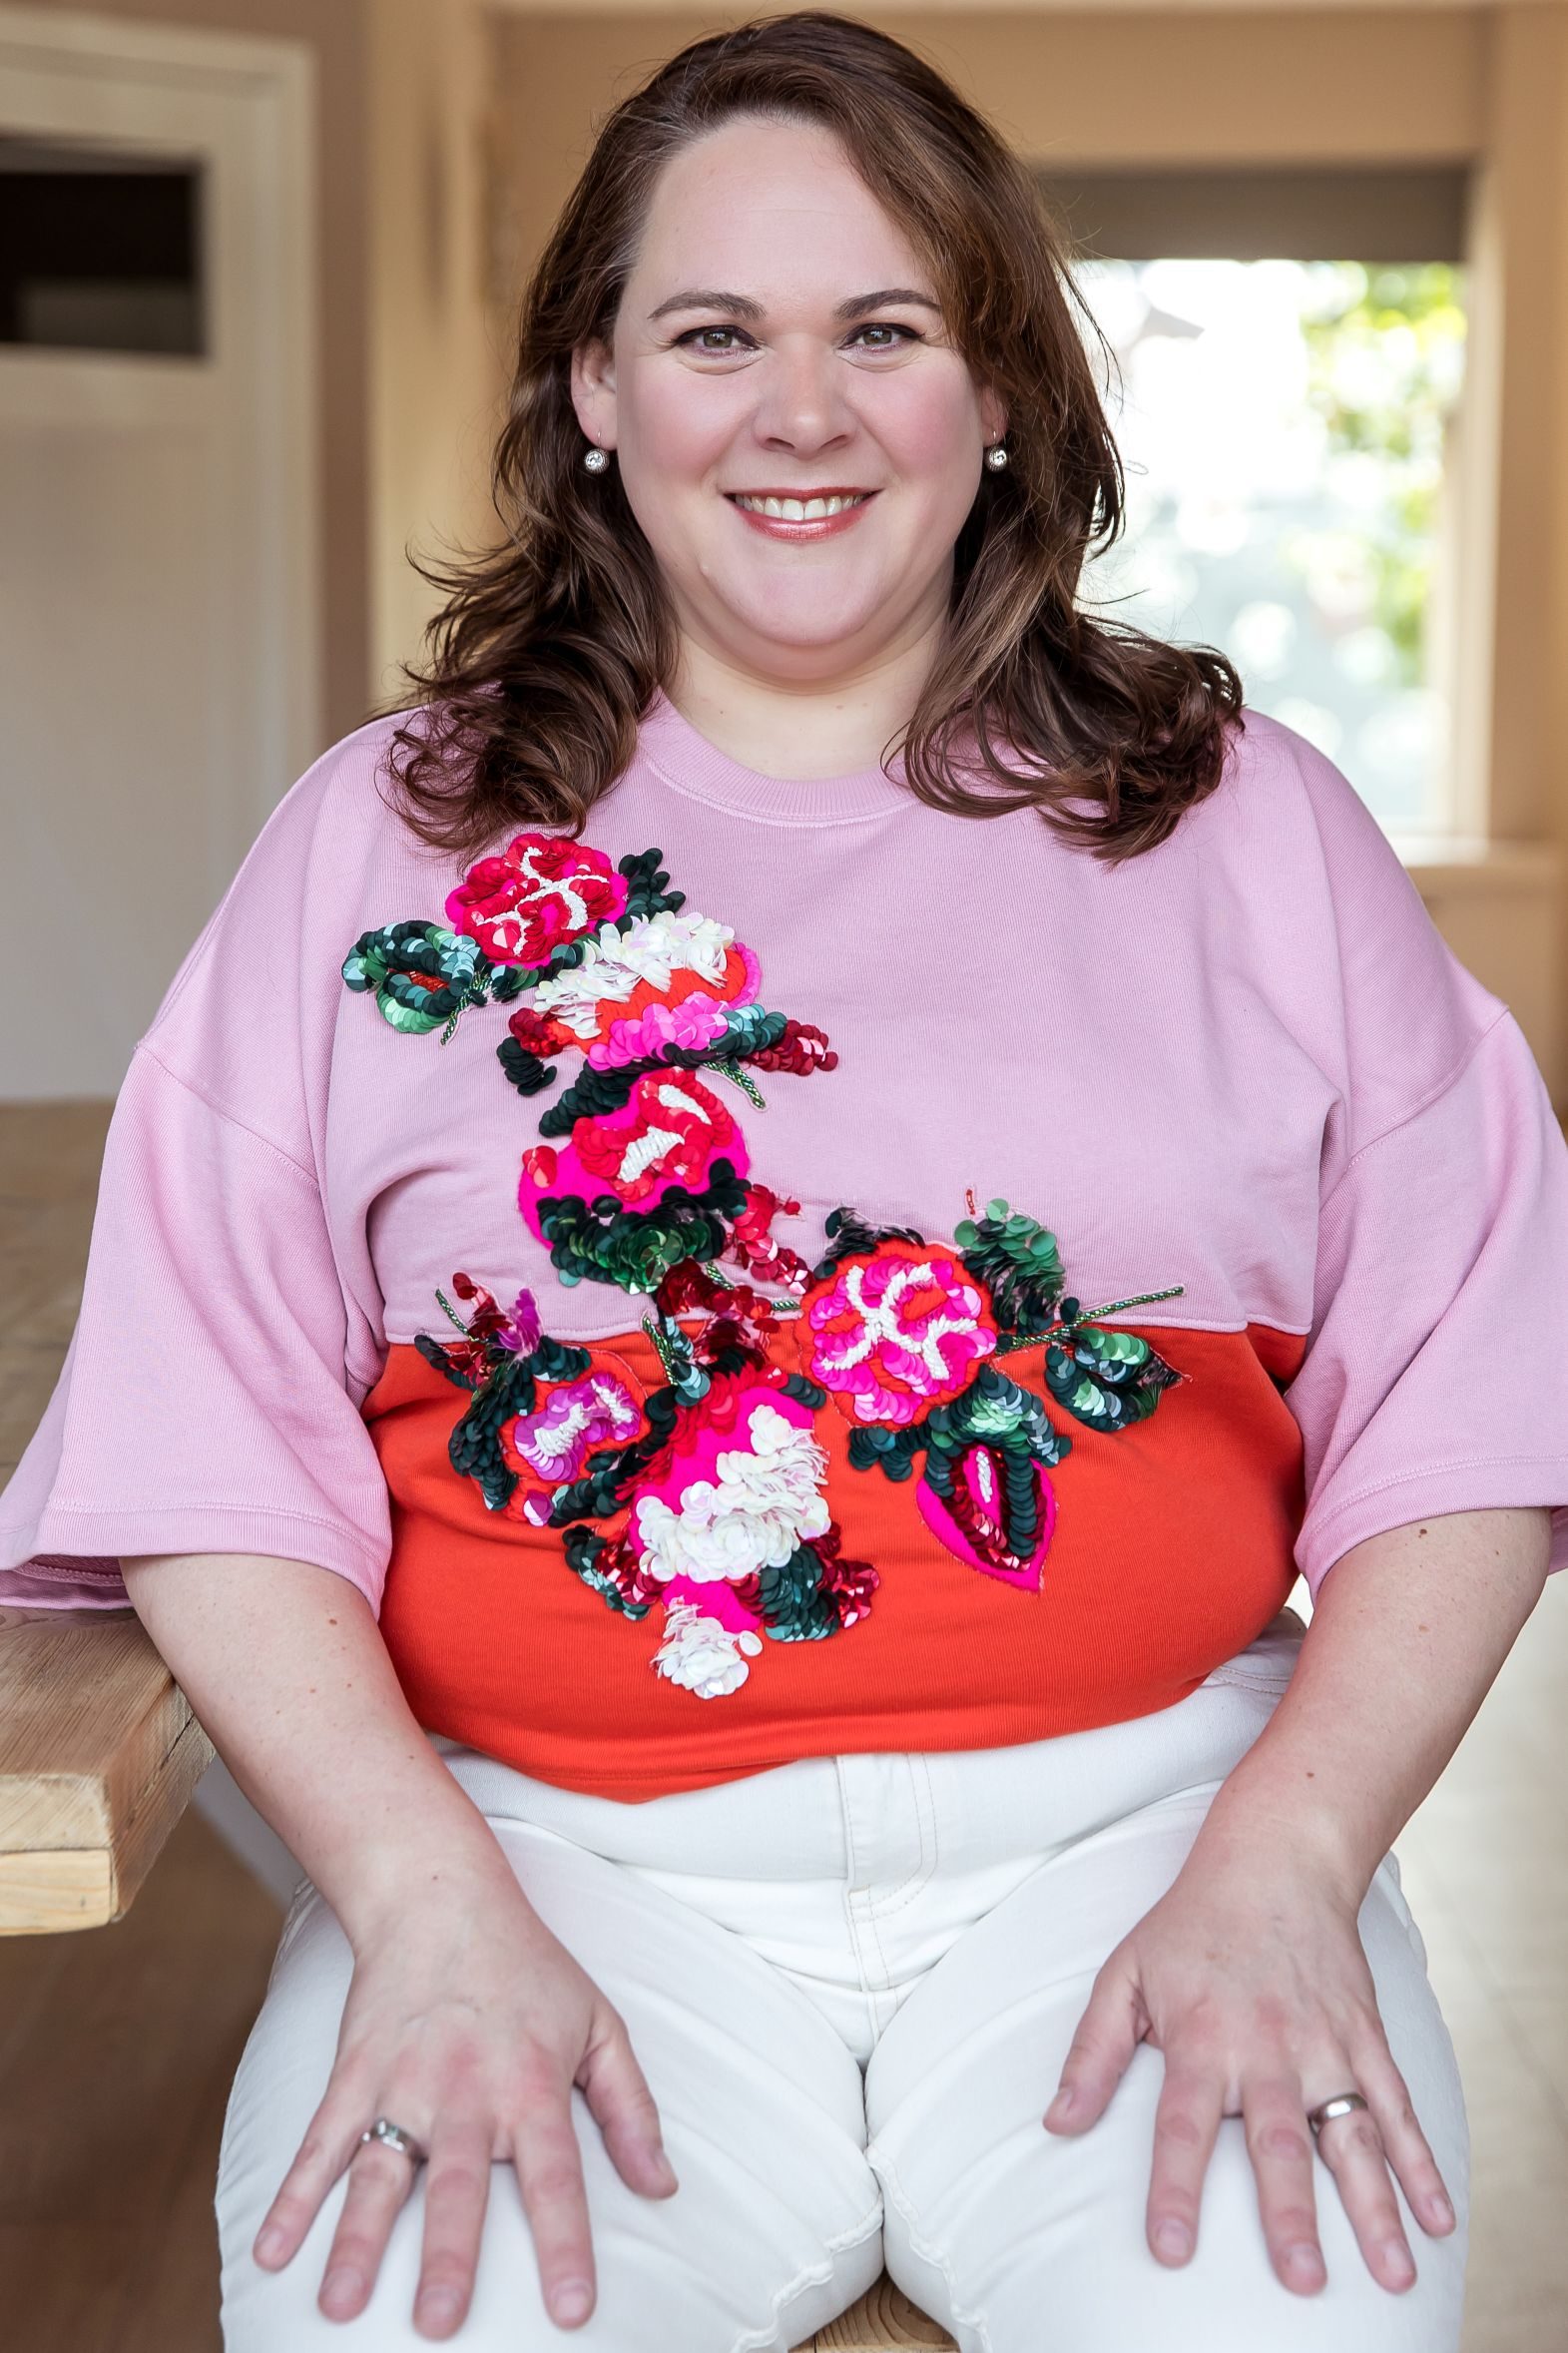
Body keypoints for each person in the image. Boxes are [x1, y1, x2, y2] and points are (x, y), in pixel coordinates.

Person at [4, 12, 1567, 2348]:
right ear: (594, 387)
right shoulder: (375, 848)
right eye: (716, 333)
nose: (800, 410)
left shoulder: (1255, 833)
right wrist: (422, 1902)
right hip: (541, 1857)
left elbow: (1476, 1396)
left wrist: (1290, 1863)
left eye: (887, 331)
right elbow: (203, 1437)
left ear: (1001, 387)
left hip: (1147, 1838)